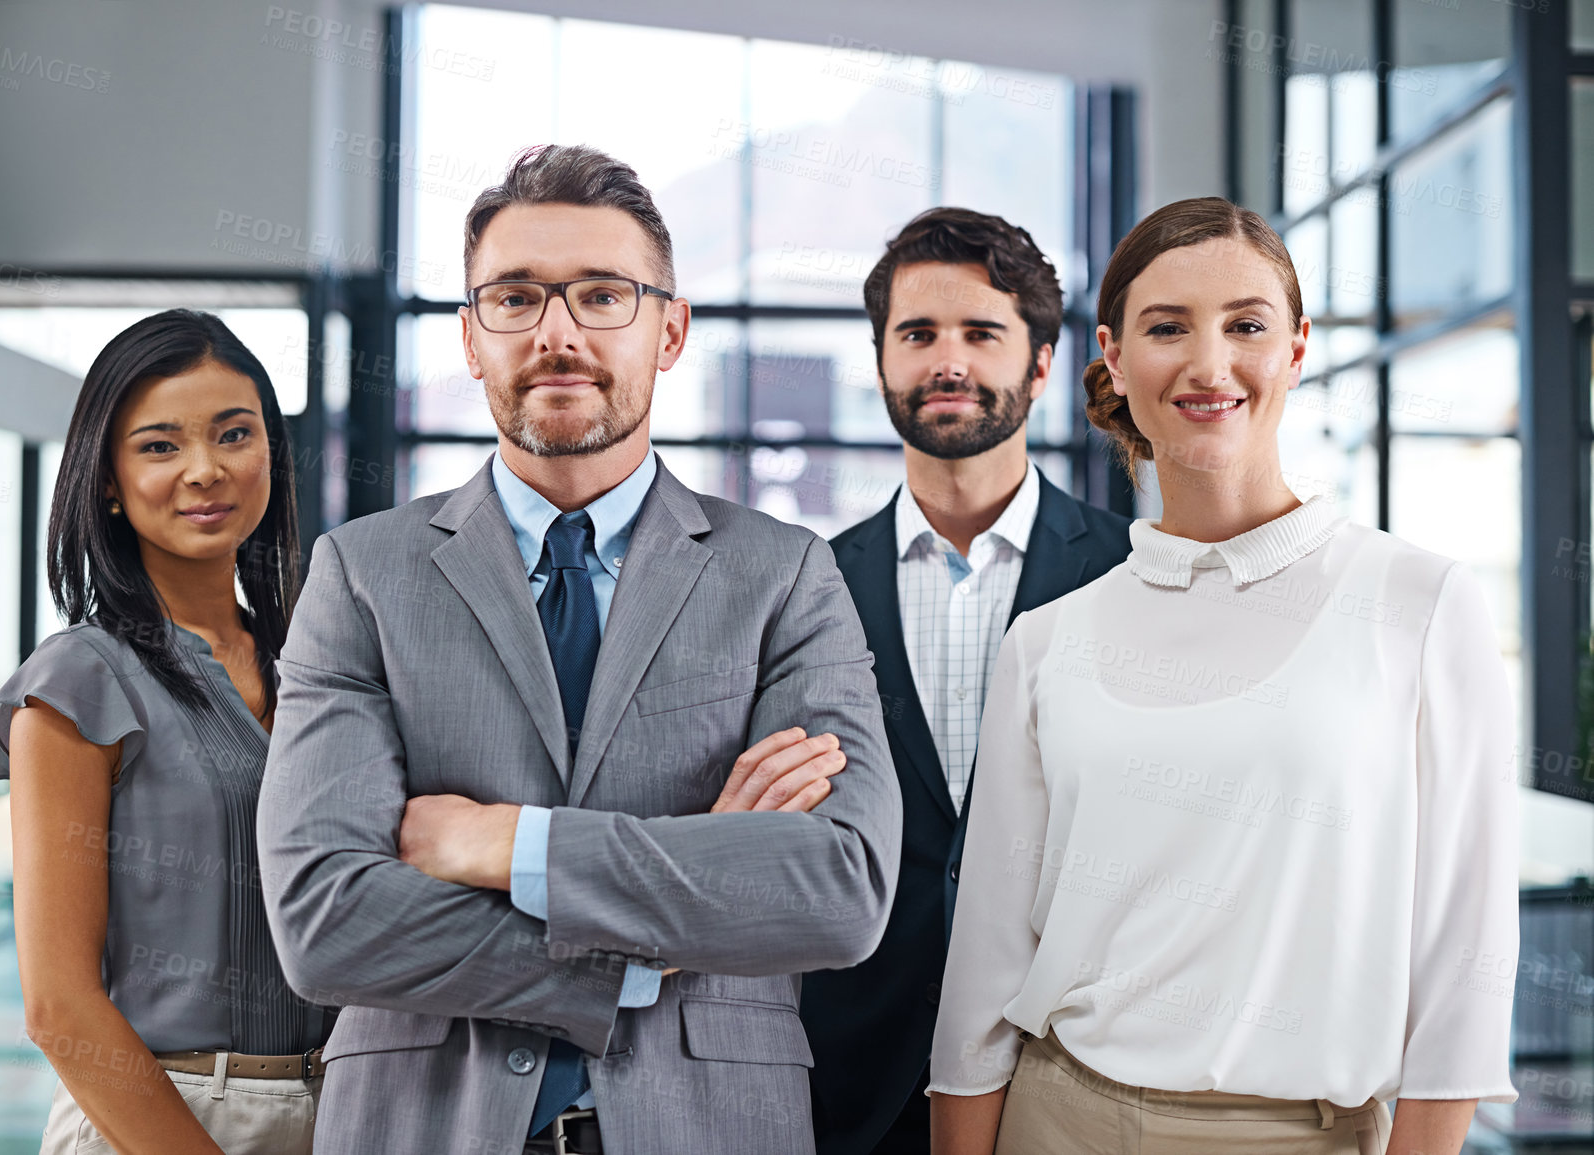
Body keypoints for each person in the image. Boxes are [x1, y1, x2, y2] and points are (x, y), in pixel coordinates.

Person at [255, 144, 902, 1155]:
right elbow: (325, 920)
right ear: (472, 339)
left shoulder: (783, 575)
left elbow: (839, 887)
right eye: (514, 298)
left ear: (670, 328)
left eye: (603, 295)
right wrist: (662, 938)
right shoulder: (362, 576)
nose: (557, 333)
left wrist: (504, 844)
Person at [929, 197, 1519, 1155]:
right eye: (1168, 328)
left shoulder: (1418, 603)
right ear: (1115, 358)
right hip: (1057, 1120)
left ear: (1294, 350)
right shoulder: (1046, 642)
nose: (1209, 366)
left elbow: (1466, 955)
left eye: (1245, 324)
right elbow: (987, 960)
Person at [800, 207, 1130, 1155]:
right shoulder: (801, 585)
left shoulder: (1132, 570)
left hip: (1071, 1068)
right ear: (881, 364)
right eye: (917, 335)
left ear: (1038, 364)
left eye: (981, 333)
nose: (948, 360)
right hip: (854, 1076)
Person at [0, 309, 330, 1153]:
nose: (205, 470)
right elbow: (58, 1004)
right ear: (107, 477)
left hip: (338, 1102)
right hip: (158, 1117)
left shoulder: (314, 663)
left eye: (234, 434)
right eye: (160, 445)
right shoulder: (78, 679)